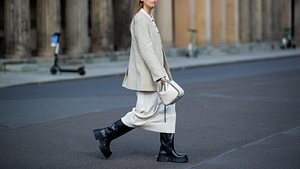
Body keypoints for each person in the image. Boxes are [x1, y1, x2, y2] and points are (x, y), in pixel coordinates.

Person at [93, 0, 188, 163]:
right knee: (143, 112)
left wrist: (162, 72)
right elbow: (146, 50)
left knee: (168, 107)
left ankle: (166, 150)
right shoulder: (140, 19)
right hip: (149, 77)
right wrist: (159, 74)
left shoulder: (148, 18)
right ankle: (106, 134)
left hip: (157, 74)